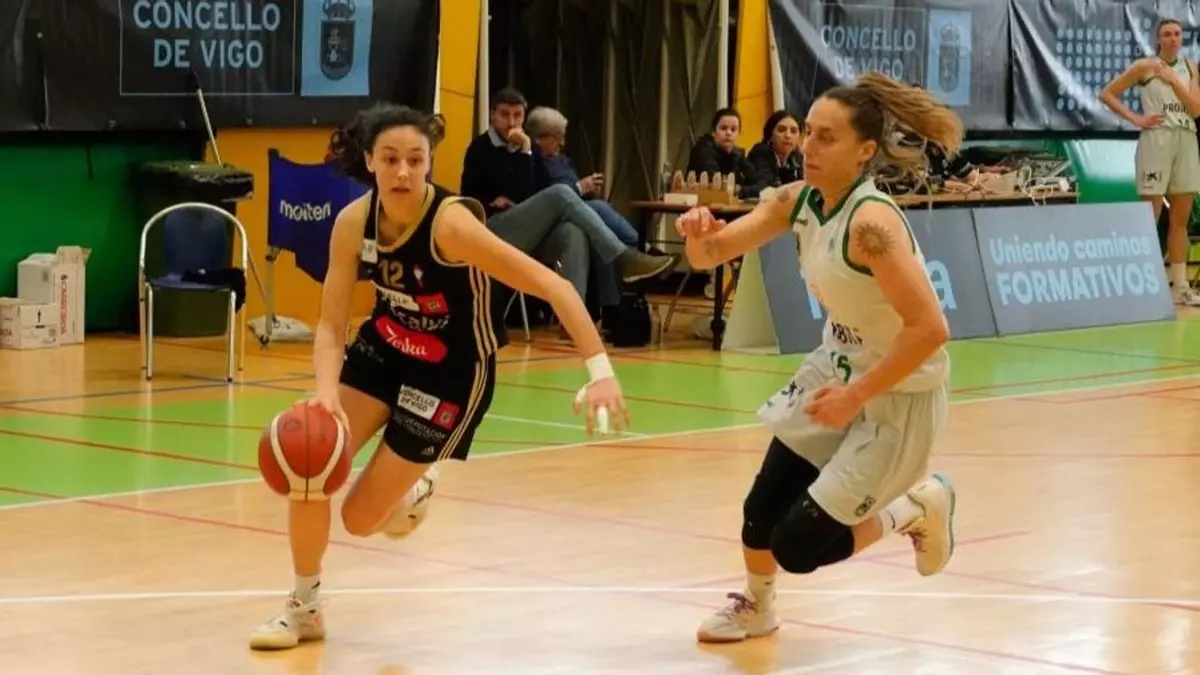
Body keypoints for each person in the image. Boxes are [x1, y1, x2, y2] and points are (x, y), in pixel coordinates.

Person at [248, 103, 630, 650]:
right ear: (370, 161)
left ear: (429, 162)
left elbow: (554, 285)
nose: (403, 171)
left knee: (360, 519)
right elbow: (330, 326)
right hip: (385, 348)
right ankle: (304, 606)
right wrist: (326, 396)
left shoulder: (452, 226)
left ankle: (415, 485)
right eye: (390, 159)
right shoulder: (353, 222)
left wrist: (600, 370)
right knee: (311, 465)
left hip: (450, 373)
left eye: (415, 159)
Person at [676, 71, 960, 643]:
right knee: (761, 510)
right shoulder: (798, 200)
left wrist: (857, 396)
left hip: (895, 394)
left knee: (799, 547)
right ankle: (757, 607)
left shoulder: (871, 224)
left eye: (827, 137)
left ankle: (914, 506)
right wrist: (696, 230)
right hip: (835, 369)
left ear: (865, 151)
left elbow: (931, 329)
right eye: (808, 132)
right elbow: (711, 254)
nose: (808, 146)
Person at [1100, 17, 1200, 306]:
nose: (1173, 38)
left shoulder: (1190, 67)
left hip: (1186, 138)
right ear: (1158, 39)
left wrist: (1173, 81)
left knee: (1180, 220)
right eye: (1167, 34)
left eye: (1177, 34)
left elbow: (1195, 109)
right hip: (1157, 139)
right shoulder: (1144, 66)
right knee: (1149, 216)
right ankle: (1143, 284)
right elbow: (1106, 94)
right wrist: (1136, 119)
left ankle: (1180, 287)